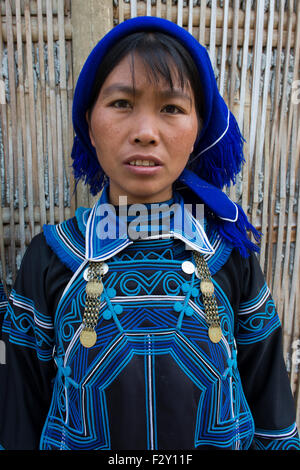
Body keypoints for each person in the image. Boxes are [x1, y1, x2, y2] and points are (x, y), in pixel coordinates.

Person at [0, 16, 299, 451]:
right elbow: (18, 411)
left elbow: (271, 405)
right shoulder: (50, 257)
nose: (145, 132)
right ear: (89, 122)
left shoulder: (228, 255)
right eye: (122, 103)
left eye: (172, 109)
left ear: (197, 129)